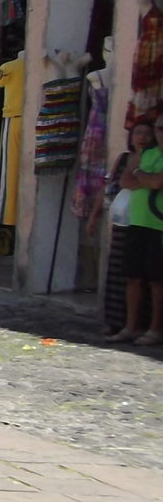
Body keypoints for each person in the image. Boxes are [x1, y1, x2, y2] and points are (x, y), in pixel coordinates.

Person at [107, 118, 159, 340]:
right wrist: (144, 177)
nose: (143, 137)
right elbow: (125, 181)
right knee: (132, 276)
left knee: (157, 280)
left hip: (157, 222)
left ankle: (154, 329)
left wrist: (140, 176)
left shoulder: (155, 155)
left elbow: (157, 182)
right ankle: (130, 326)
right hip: (134, 221)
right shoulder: (139, 156)